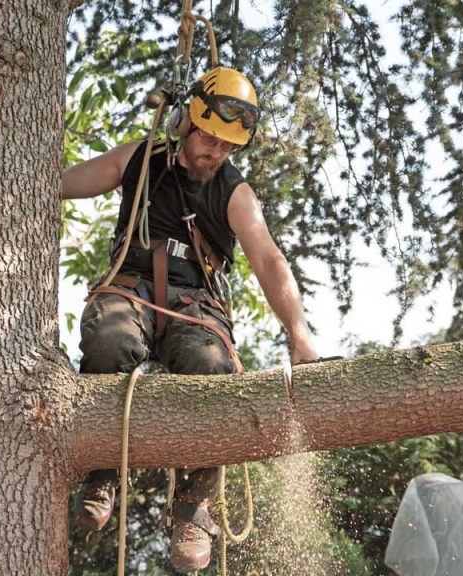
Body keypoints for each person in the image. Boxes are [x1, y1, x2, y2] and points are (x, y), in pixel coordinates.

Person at [61, 66, 318, 572]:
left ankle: (194, 505)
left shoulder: (233, 191)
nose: (215, 152)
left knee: (211, 367)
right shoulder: (141, 159)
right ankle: (100, 473)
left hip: (194, 305)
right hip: (127, 289)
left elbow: (269, 260)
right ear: (184, 122)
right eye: (208, 138)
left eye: (227, 146)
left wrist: (299, 334)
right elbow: (61, 185)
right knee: (107, 343)